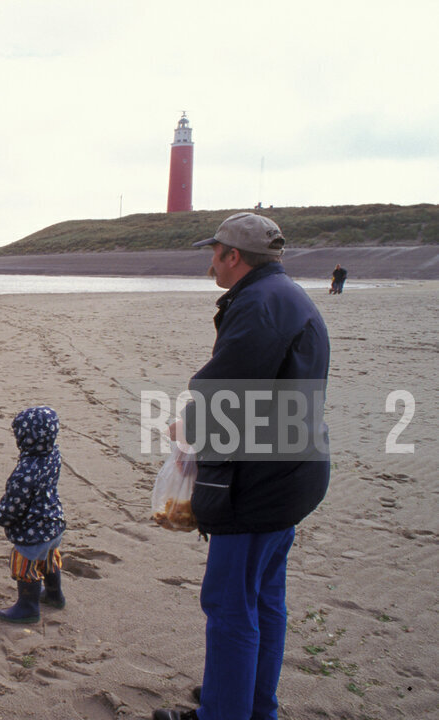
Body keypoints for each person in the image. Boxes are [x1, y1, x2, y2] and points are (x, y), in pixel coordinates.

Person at [154, 212, 330, 720]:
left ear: (234, 256)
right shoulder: (283, 294)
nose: (211, 261)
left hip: (260, 481)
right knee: (263, 597)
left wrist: (185, 425)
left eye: (215, 252)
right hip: (293, 472)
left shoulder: (259, 303)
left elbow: (225, 390)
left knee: (231, 604)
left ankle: (224, 710)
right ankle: (250, 705)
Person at [0, 405, 66, 623]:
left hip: (33, 530)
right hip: (54, 522)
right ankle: (54, 595)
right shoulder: (53, 454)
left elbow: (15, 503)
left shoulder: (25, 471)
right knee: (49, 559)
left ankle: (28, 608)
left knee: (24, 565)